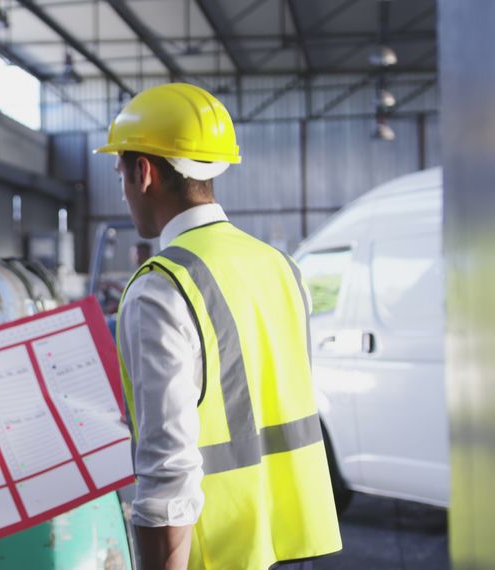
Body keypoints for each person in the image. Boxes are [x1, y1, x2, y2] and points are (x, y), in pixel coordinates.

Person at [96, 84, 341, 569]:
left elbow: (169, 467)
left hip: (218, 552)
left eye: (120, 172)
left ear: (142, 172)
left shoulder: (161, 287)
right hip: (292, 543)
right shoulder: (281, 266)